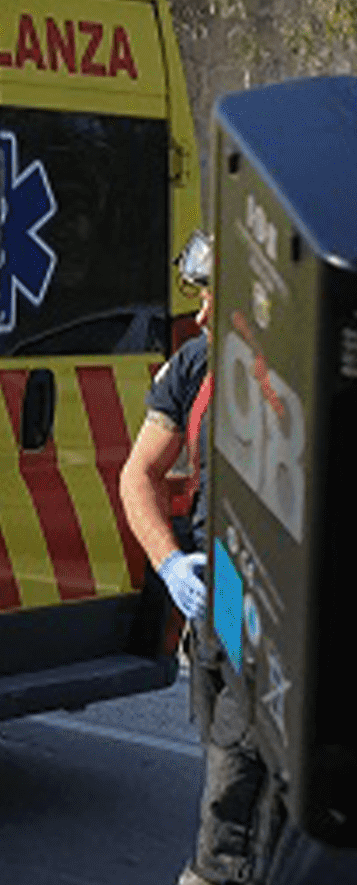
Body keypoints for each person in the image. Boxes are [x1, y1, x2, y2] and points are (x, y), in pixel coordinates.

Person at [121, 230, 280, 885]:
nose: (203, 314)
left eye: (216, 297)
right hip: (217, 600)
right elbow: (138, 476)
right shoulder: (194, 369)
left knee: (241, 803)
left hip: (279, 611)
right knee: (229, 776)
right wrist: (168, 562)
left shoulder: (297, 372)